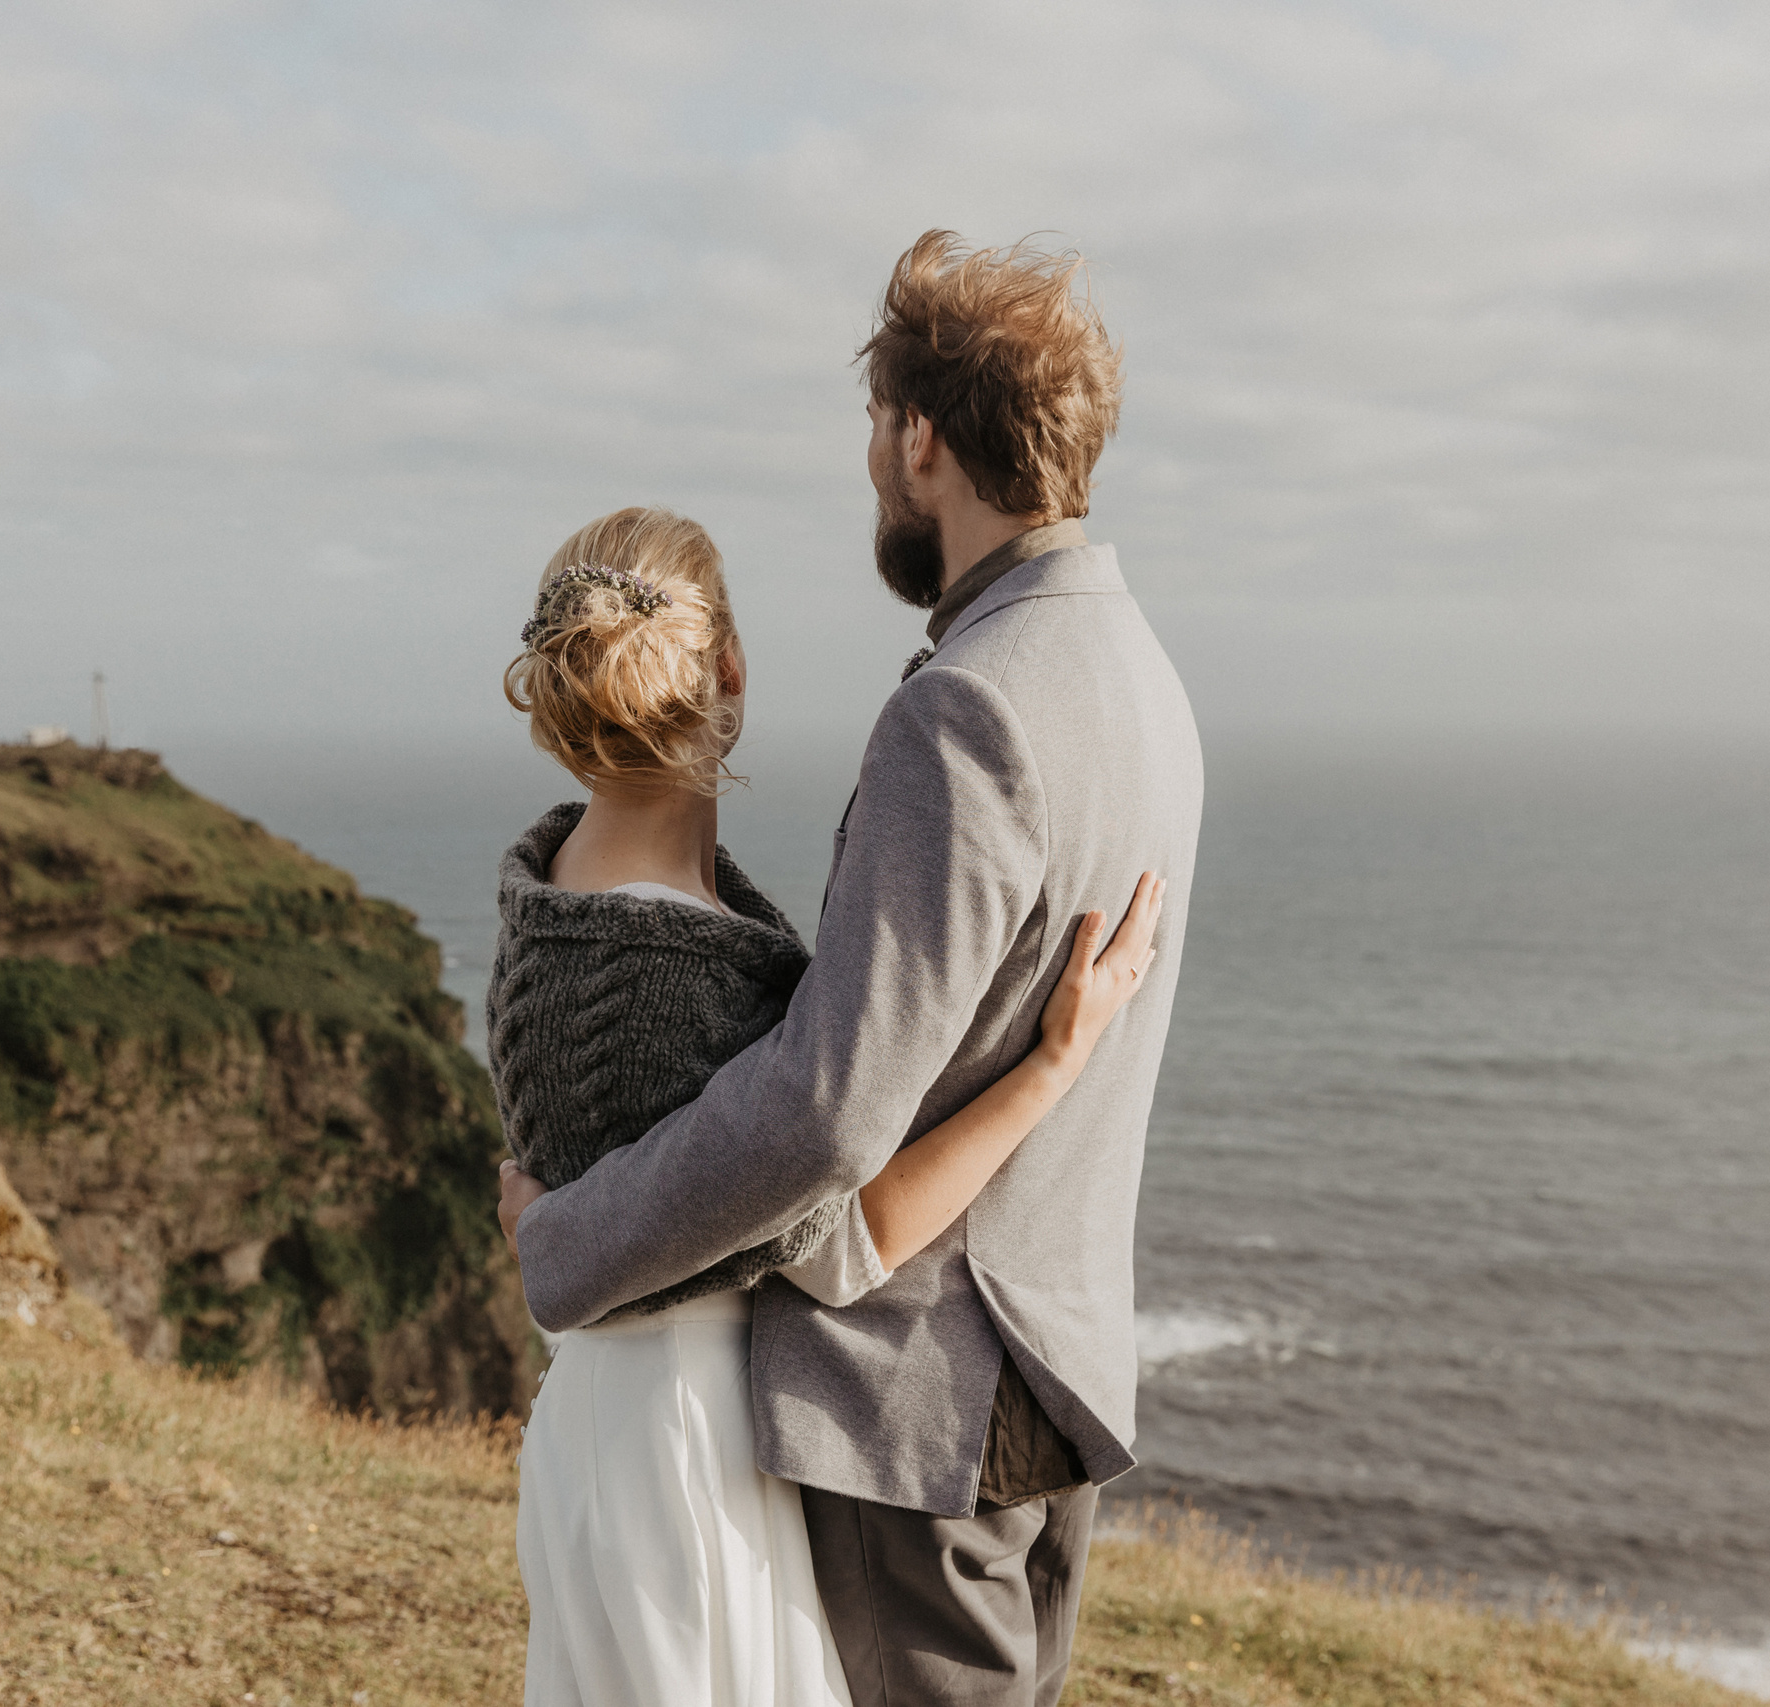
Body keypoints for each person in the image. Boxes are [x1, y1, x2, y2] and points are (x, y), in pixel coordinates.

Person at [501, 231, 1203, 1707]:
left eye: (878, 430)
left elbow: (824, 1113)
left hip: (922, 1405)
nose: (874, 467)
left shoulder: (965, 709)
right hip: (1056, 1368)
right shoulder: (1139, 670)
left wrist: (562, 1244)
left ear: (921, 440)